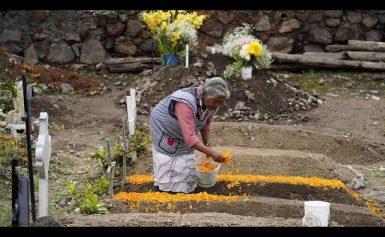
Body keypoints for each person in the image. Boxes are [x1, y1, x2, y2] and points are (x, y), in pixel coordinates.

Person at [149, 77, 230, 194]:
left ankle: (183, 188)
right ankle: (165, 189)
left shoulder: (212, 105)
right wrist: (211, 153)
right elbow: (190, 138)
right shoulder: (185, 102)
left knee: (185, 159)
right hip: (165, 128)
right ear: (206, 95)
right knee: (170, 159)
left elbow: (206, 124)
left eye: (221, 102)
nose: (218, 105)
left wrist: (207, 145)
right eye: (216, 101)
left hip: (183, 131)